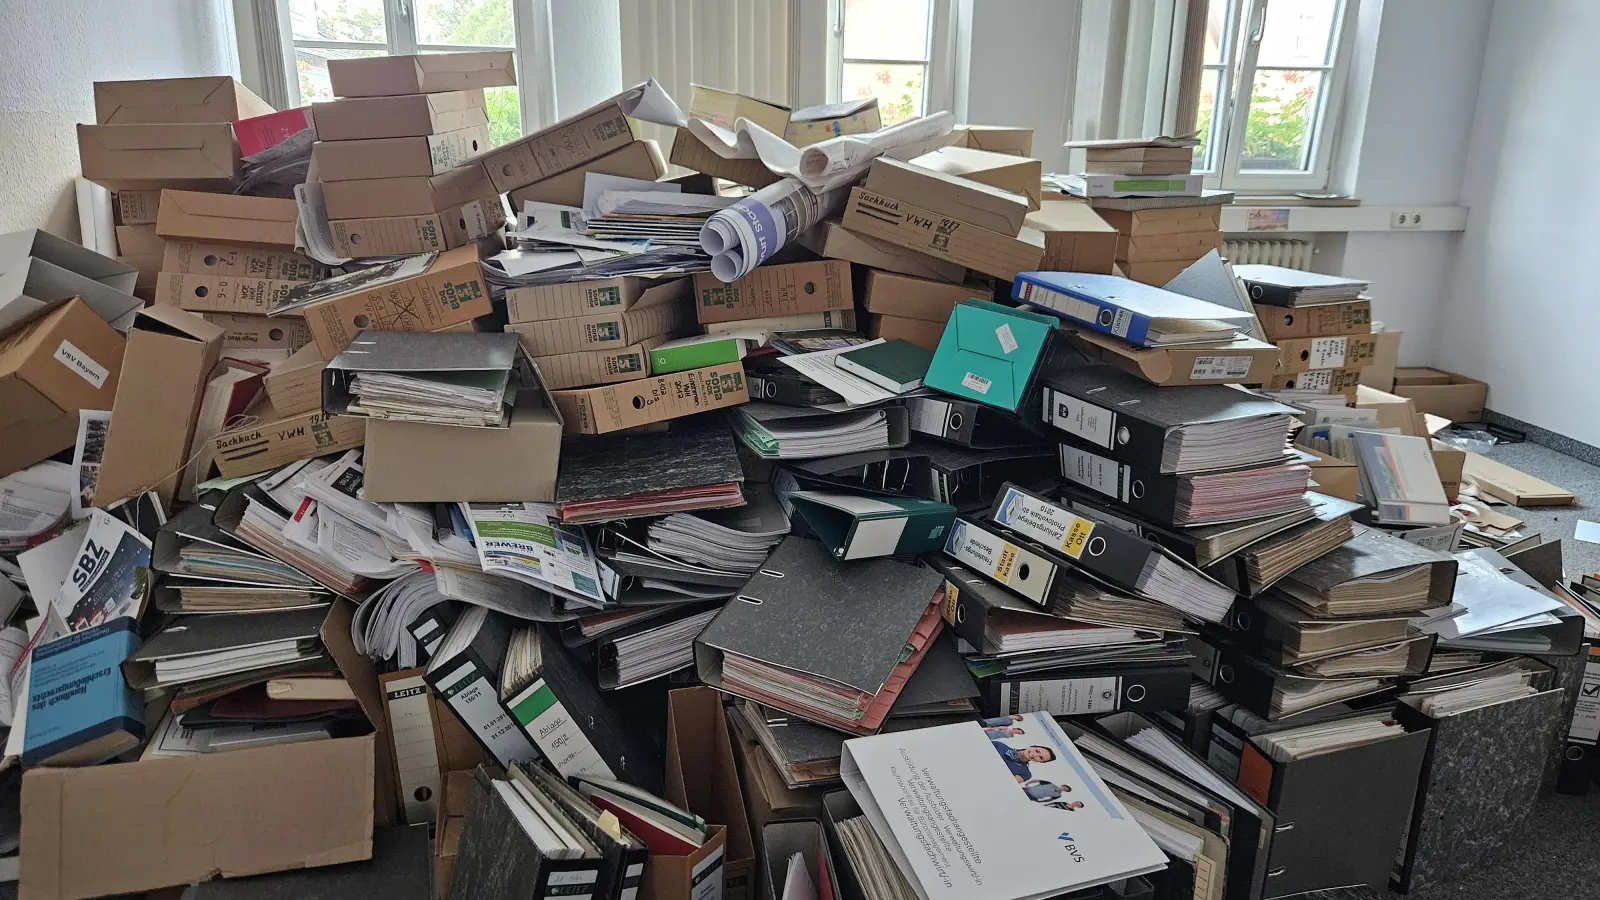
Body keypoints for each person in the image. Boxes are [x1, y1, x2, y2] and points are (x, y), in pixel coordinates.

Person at [991, 741, 1058, 782]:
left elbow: (1005, 783)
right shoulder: (998, 745)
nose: (1035, 755)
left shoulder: (1025, 774)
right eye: (1037, 751)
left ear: (1040, 762)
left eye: (1040, 758)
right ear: (1033, 746)